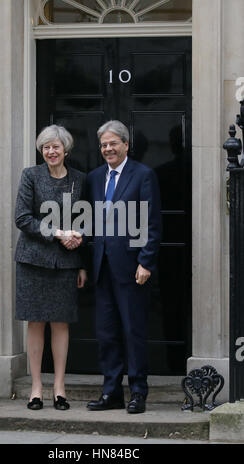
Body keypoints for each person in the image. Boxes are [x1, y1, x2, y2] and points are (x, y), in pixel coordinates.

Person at [85, 120, 161, 414]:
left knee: (133, 331)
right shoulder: (94, 178)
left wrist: (146, 261)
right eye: (104, 145)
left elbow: (151, 223)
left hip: (132, 269)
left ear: (126, 145)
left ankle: (138, 392)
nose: (108, 149)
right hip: (102, 268)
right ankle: (111, 392)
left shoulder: (143, 175)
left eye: (113, 143)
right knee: (107, 334)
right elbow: (88, 223)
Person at [14, 125, 86, 411]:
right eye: (45, 147)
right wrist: (59, 233)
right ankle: (35, 388)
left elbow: (84, 218)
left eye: (55, 146)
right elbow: (22, 218)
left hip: (67, 262)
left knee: (60, 323)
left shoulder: (79, 179)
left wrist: (79, 243)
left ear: (65, 149)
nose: (50, 152)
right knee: (35, 322)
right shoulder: (30, 176)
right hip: (33, 260)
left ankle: (59, 387)